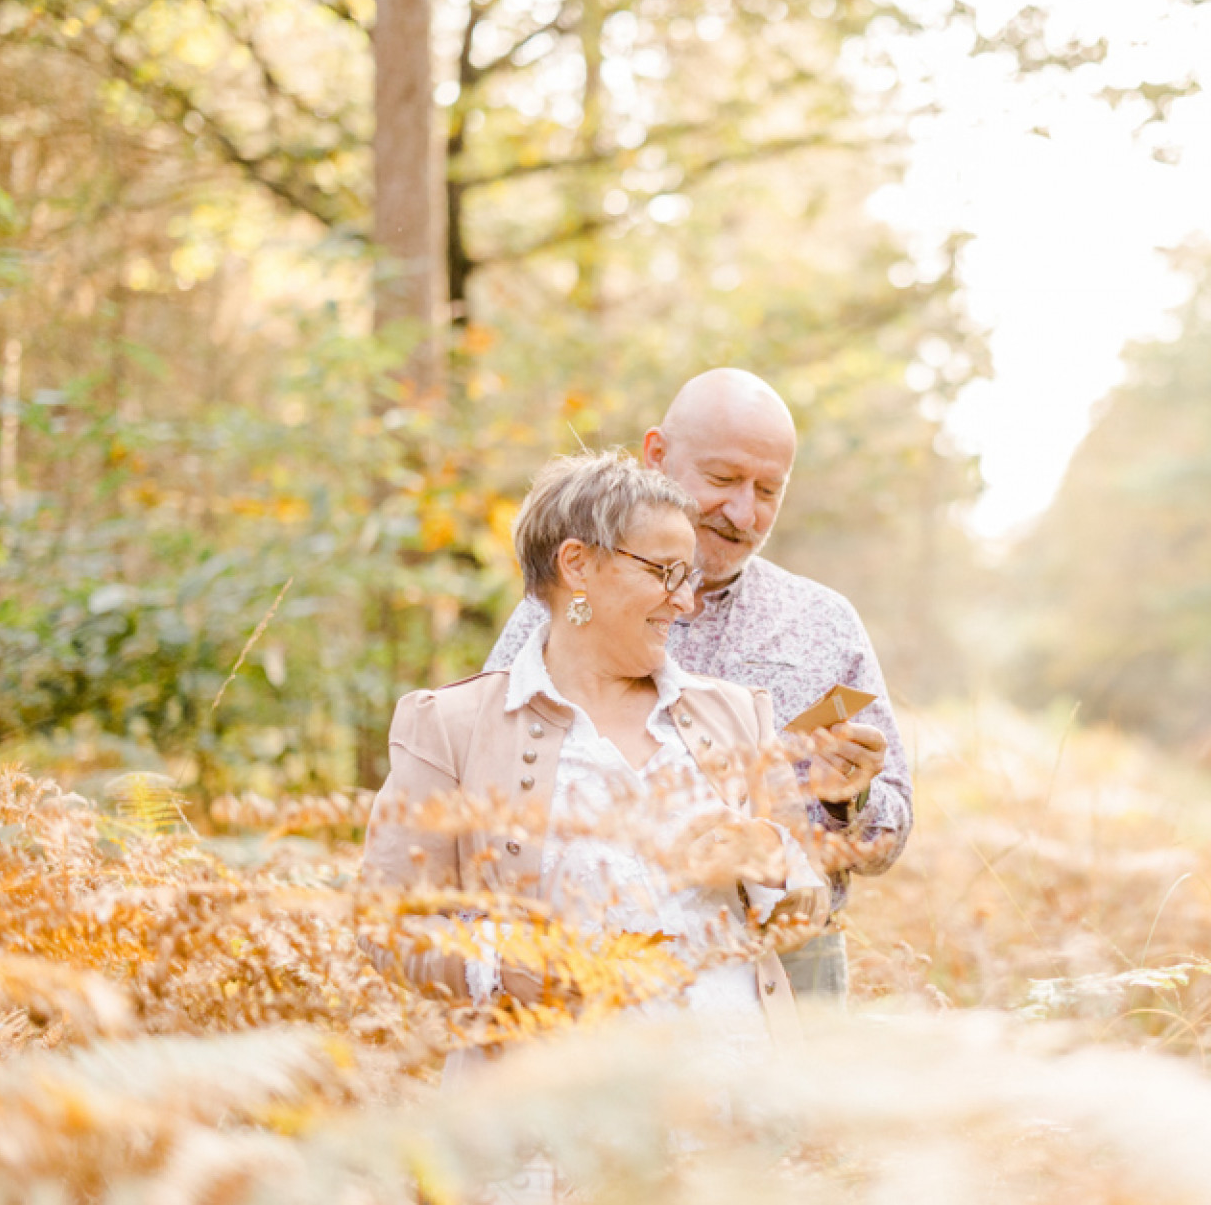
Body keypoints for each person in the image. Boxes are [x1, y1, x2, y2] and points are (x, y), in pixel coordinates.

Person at [361, 451, 829, 1067]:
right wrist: (507, 966)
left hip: (737, 1096)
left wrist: (771, 861)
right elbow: (387, 926)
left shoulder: (739, 714)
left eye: (689, 576)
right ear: (577, 564)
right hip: (554, 1101)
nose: (685, 601)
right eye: (667, 572)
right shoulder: (451, 727)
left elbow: (809, 901)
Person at [485, 369, 913, 1005]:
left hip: (791, 960)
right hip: (598, 956)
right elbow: (483, 785)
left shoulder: (824, 624)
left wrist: (849, 800)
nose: (744, 513)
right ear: (656, 456)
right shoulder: (562, 606)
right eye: (722, 479)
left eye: (767, 490)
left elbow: (886, 843)